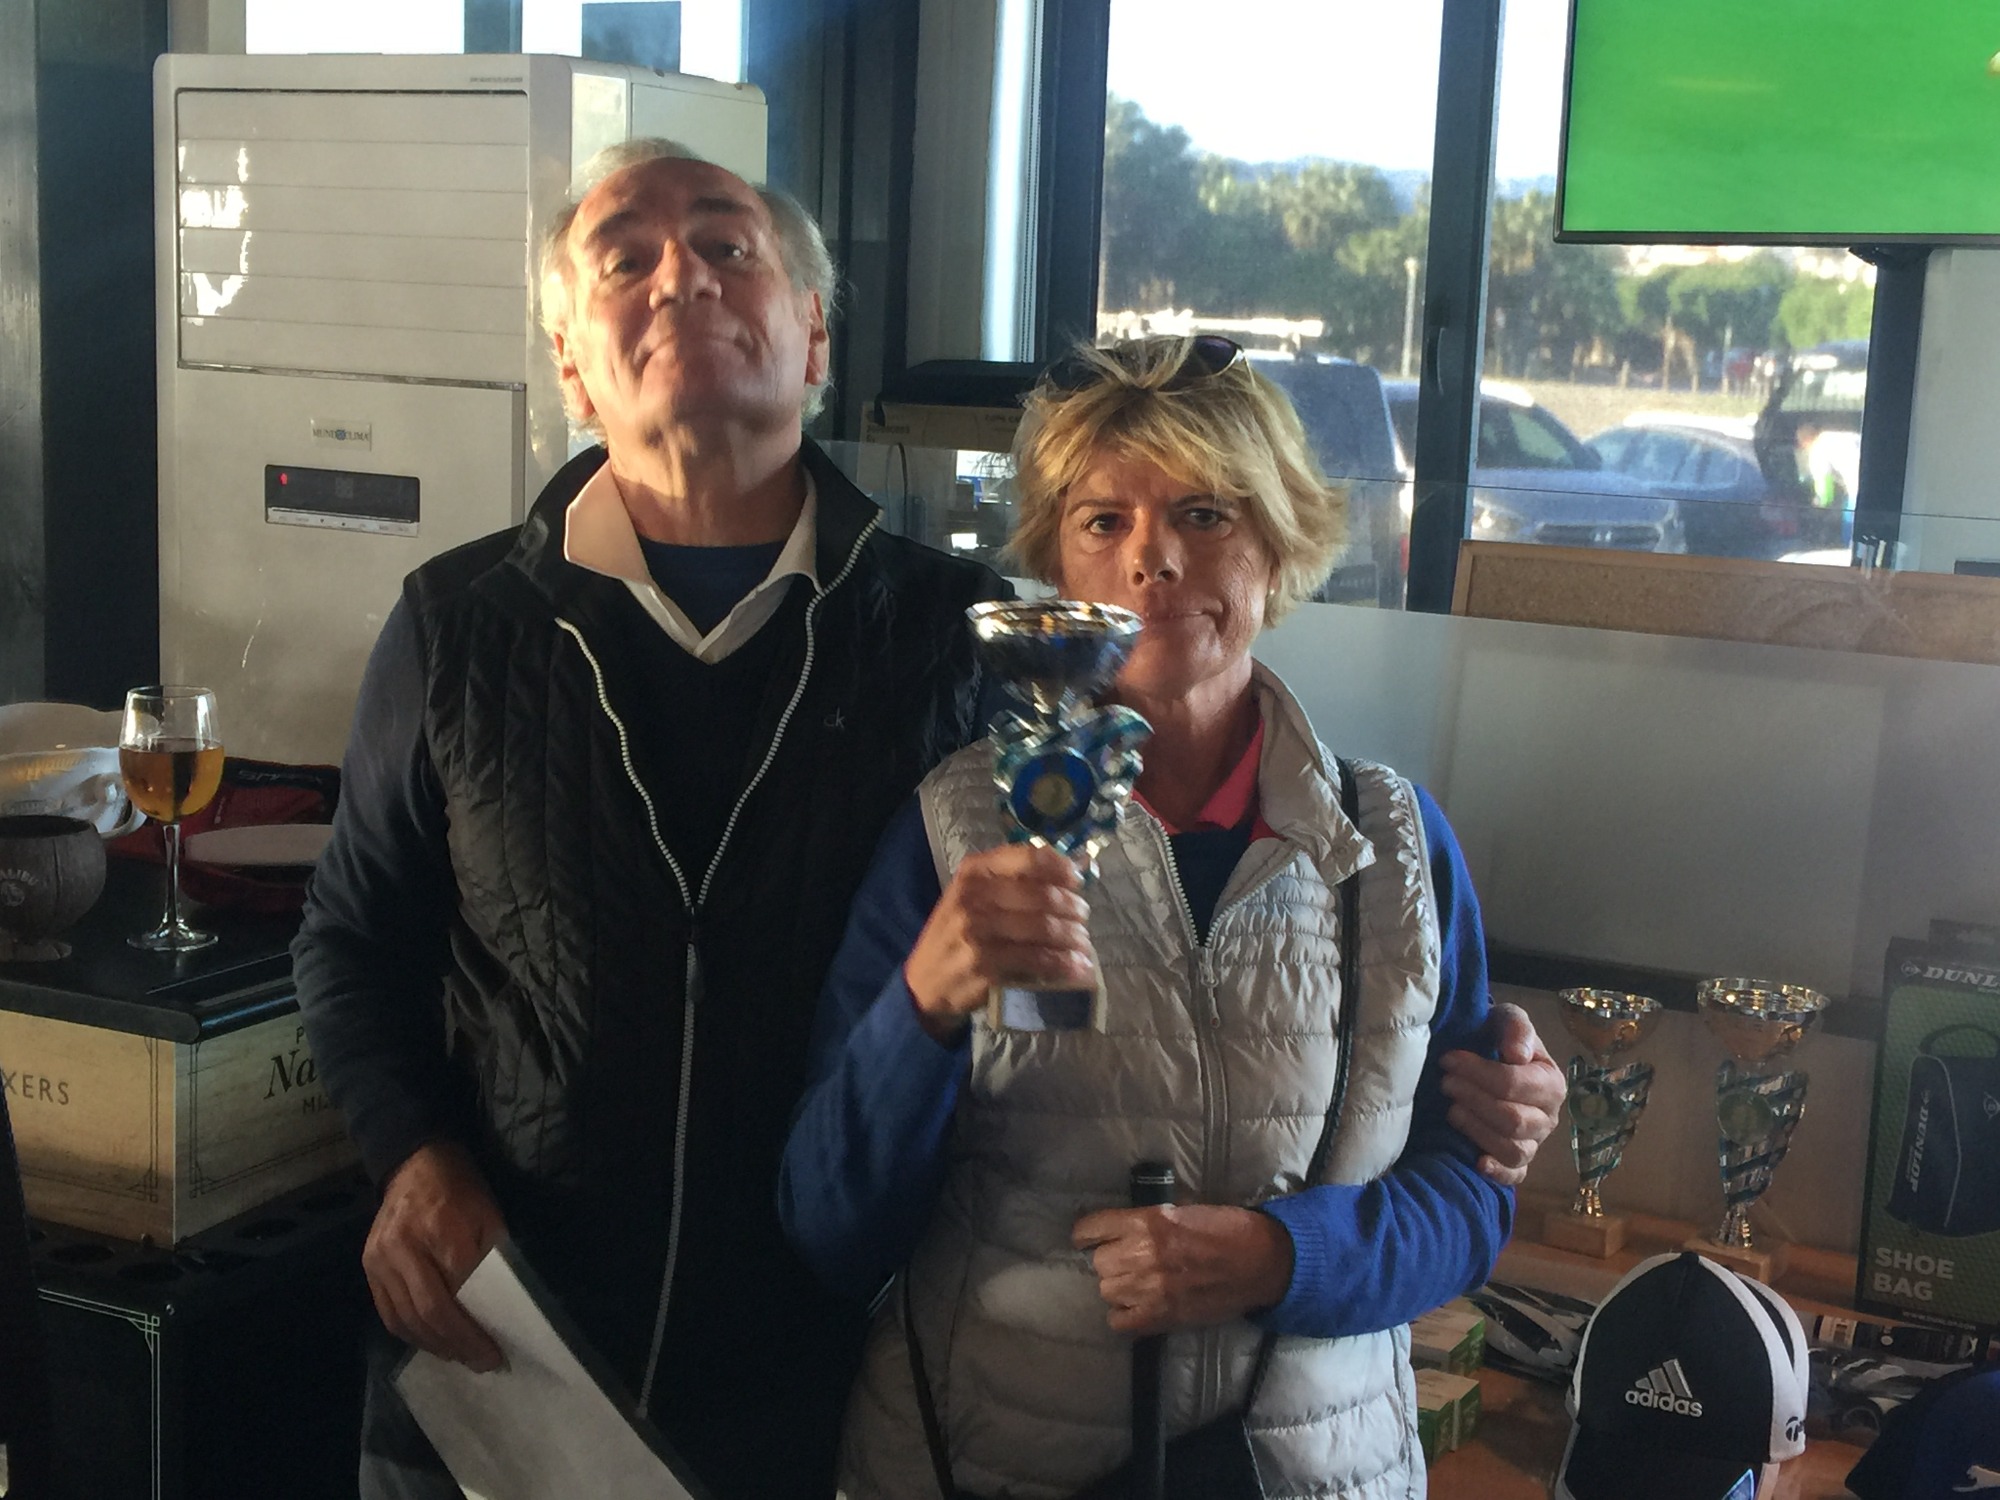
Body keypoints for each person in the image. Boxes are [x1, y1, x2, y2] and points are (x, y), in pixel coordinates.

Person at [296, 140, 1562, 1499]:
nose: (680, 280)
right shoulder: (458, 628)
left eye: (726, 244)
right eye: (626, 258)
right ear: (568, 357)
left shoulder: (965, 644)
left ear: (815, 334)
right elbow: (351, 942)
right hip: (510, 1353)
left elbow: (1214, 879)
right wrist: (407, 1154)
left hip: (807, 1389)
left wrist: (1497, 1082)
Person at [779, 335, 1532, 1499]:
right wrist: (919, 1010)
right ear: (1052, 561)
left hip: (1314, 1474)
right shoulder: (950, 831)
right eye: (1102, 522)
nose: (1152, 559)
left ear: (1278, 545)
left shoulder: (1395, 845)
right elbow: (829, 1232)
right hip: (988, 1466)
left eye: (1203, 514)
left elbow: (1471, 1201)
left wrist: (1283, 1259)